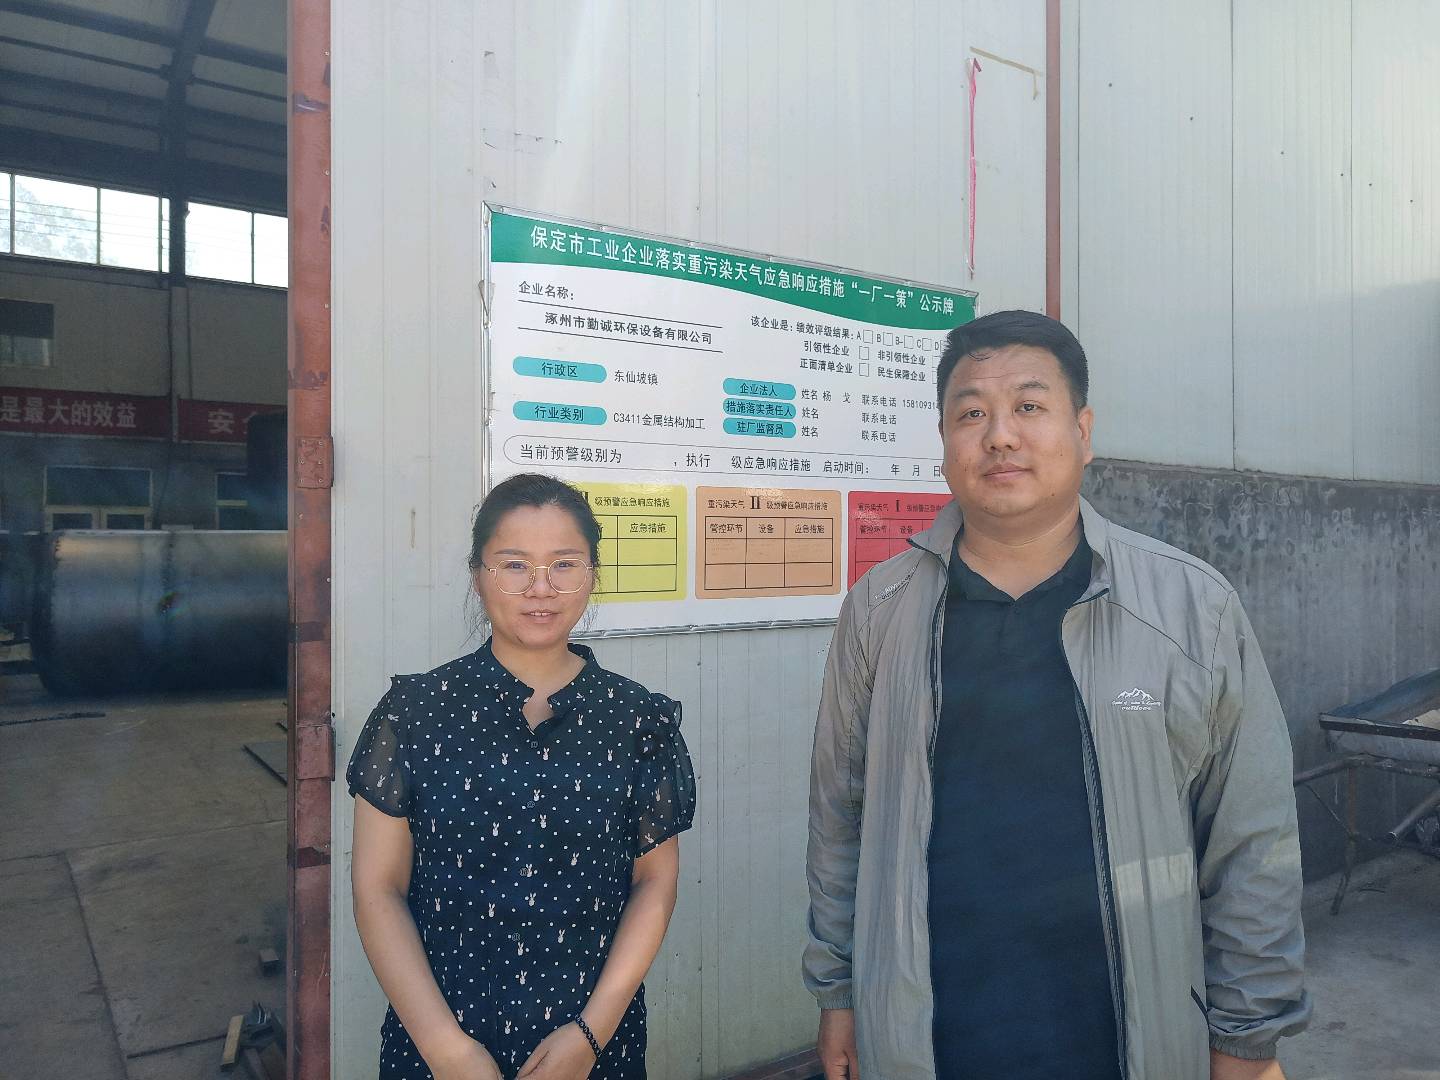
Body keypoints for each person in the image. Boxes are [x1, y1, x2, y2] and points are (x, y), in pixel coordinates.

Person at [804, 311, 1310, 1080]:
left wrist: (1247, 1039)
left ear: (1083, 430)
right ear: (943, 439)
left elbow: (1251, 841)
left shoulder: (1190, 609)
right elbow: (840, 818)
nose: (1000, 435)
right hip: (927, 1041)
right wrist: (838, 992)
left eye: (1029, 406)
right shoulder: (880, 610)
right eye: (971, 414)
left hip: (1130, 1042)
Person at [349, 472, 696, 1080]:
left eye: (564, 564)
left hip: (594, 1048)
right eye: (514, 565)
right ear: (477, 574)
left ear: (592, 574)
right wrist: (447, 1051)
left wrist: (591, 1035)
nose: (541, 588)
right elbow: (378, 889)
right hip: (437, 1045)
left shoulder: (639, 719)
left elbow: (654, 882)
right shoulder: (415, 713)